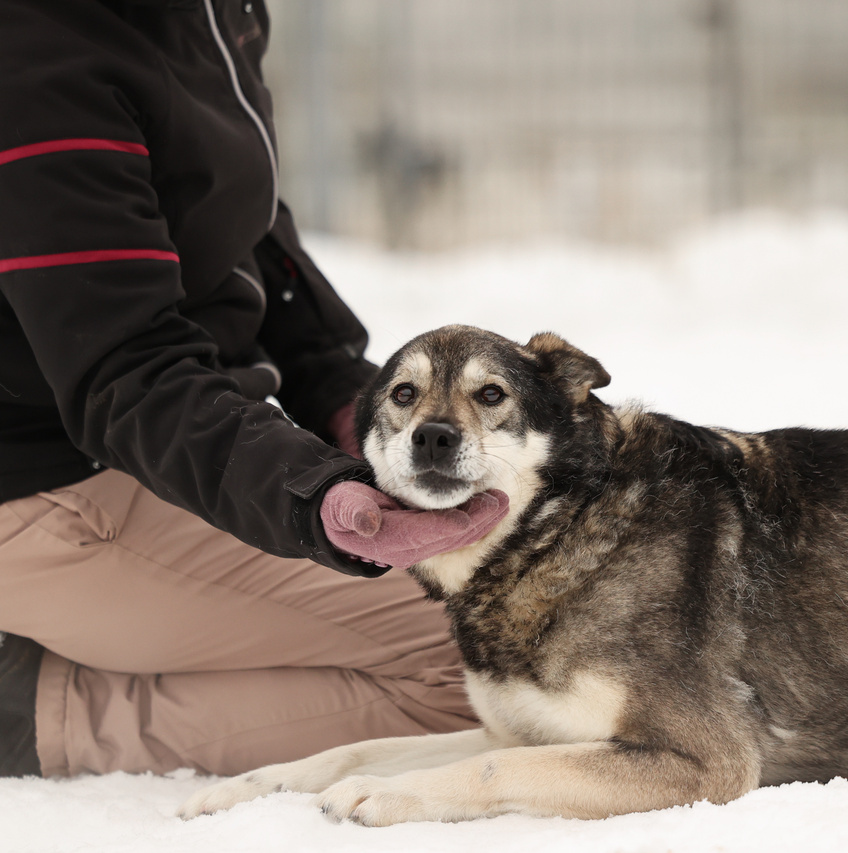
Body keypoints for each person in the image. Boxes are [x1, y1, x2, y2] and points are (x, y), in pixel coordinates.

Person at [0, 0, 508, 779]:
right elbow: (124, 370)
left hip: (148, 445)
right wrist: (316, 499)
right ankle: (44, 706)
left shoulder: (212, 12)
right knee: (486, 663)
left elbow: (246, 233)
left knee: (534, 601)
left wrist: (348, 402)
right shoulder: (37, 59)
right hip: (46, 487)